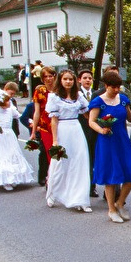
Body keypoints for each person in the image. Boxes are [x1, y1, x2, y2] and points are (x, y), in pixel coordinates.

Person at [88, 70, 131, 223]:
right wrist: (101, 129)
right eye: (113, 87)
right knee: (111, 177)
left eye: (118, 87)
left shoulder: (122, 99)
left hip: (122, 140)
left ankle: (120, 202)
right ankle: (111, 209)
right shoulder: (98, 101)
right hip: (107, 141)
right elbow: (91, 121)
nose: (116, 90)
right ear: (106, 85)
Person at [45, 70, 92, 212]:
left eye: (70, 79)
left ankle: (80, 199)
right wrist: (55, 140)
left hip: (76, 130)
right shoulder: (54, 97)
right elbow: (54, 120)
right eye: (65, 79)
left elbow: (86, 114)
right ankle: (53, 193)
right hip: (62, 130)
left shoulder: (78, 97)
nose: (68, 82)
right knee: (60, 163)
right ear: (60, 80)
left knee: (80, 163)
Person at [0, 89, 34, 191]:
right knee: (2, 156)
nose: (9, 103)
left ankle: (12, 178)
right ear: (0, 103)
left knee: (12, 155)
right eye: (7, 101)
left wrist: (30, 121)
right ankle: (5, 180)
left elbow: (19, 116)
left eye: (9, 101)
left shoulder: (11, 110)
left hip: (9, 135)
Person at [30, 67, 57, 187]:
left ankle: (57, 178)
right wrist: (33, 130)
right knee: (46, 153)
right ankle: (46, 178)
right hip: (45, 126)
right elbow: (36, 112)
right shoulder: (39, 91)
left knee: (58, 153)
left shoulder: (59, 90)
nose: (48, 79)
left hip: (59, 125)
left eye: (50, 76)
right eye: (45, 77)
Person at [77, 69, 99, 198]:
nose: (87, 80)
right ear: (79, 80)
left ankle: (92, 186)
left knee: (92, 159)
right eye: (85, 78)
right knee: (83, 160)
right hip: (80, 130)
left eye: (89, 78)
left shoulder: (96, 94)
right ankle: (83, 186)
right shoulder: (76, 94)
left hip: (94, 131)